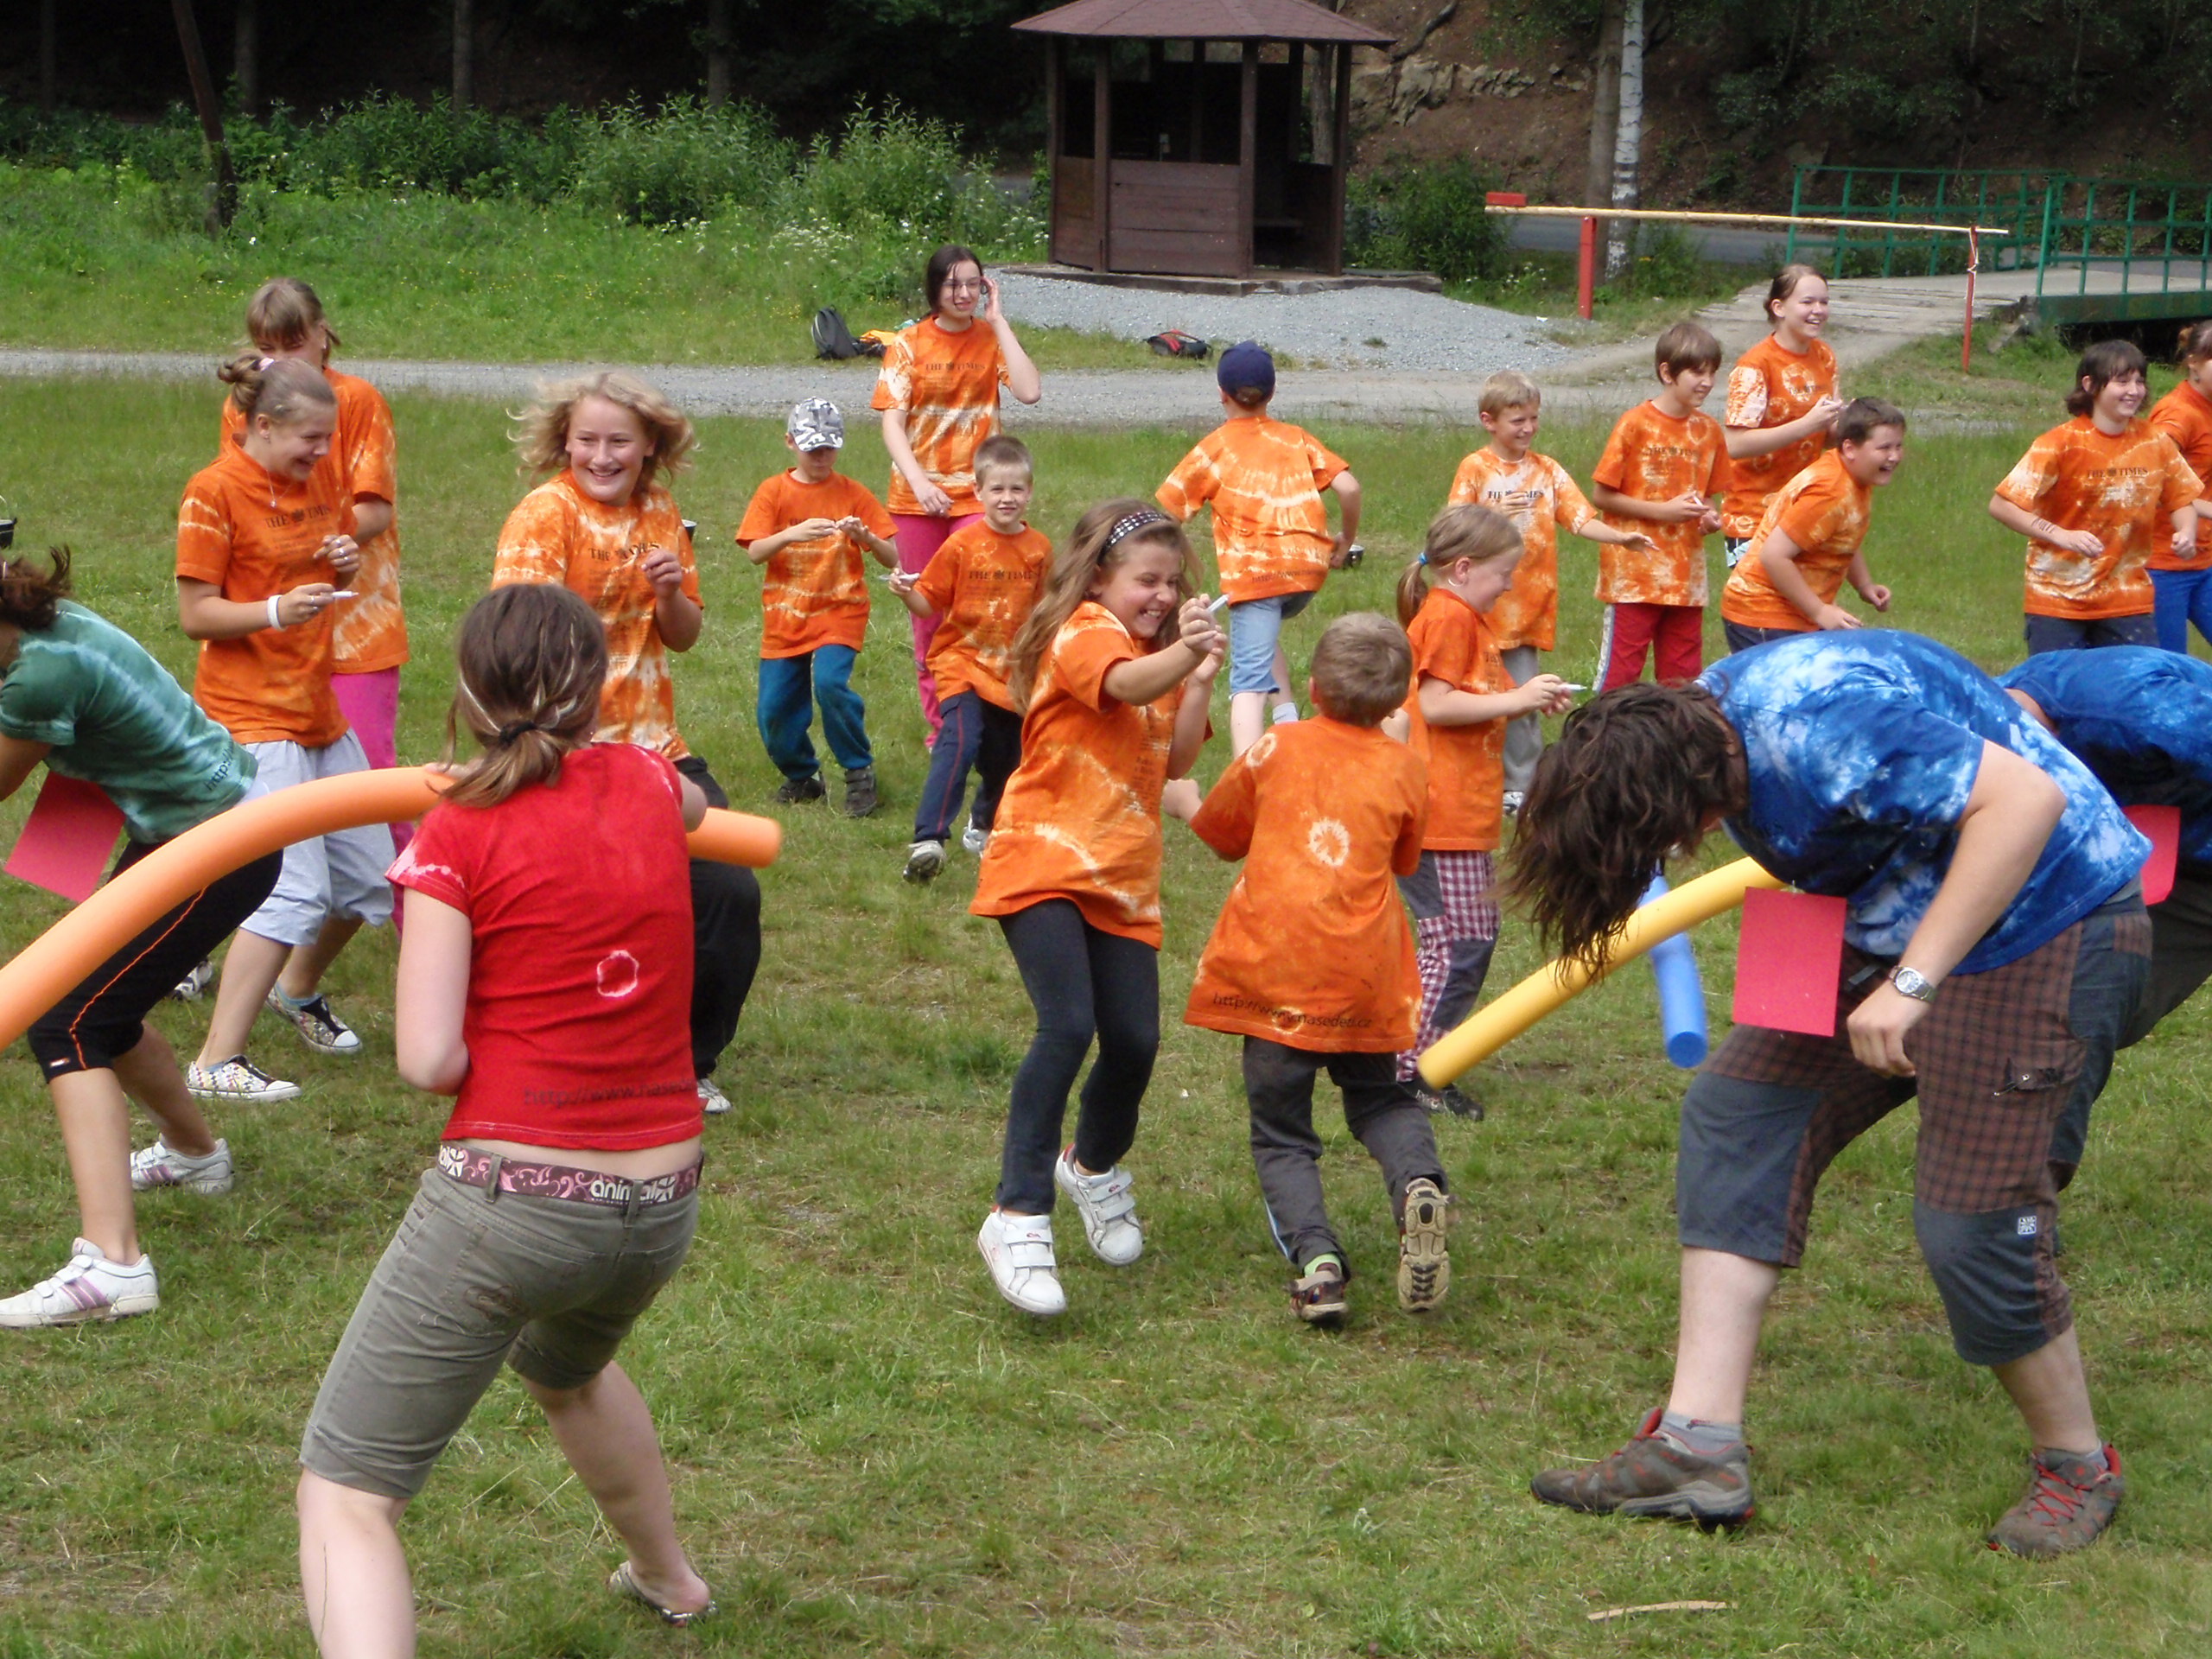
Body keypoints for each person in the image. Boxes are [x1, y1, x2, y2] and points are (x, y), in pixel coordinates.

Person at [1513, 630, 2152, 1558]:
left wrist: (1913, 984)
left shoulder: (1816, 722)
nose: (1676, 853)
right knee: (1740, 1112)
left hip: (2047, 917)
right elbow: (1825, 843)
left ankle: (2078, 1464)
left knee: (1971, 1221)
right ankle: (1697, 1447)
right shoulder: (1704, 740)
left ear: (1669, 797)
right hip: (1892, 914)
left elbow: (2026, 801)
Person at [296, 583, 718, 1653]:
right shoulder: (651, 780)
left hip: (514, 1204)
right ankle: (668, 1578)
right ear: (597, 688)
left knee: (346, 1494)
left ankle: (666, 1574)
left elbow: (428, 1058)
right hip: (660, 1203)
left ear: (471, 695)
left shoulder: (456, 833)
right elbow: (689, 810)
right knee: (564, 1370)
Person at [0, 549, 281, 1327]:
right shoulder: (39, 625)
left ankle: (113, 1266)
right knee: (104, 1008)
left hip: (217, 848)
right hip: (195, 831)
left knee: (67, 1021)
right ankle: (195, 1155)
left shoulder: (39, 673)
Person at [968, 500, 1224, 1317]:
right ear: (1099, 577)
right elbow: (1122, 687)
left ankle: (1091, 1167)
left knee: (1136, 1043)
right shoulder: (1083, 631)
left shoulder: (1158, 656)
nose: (1162, 594)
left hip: (1123, 877)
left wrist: (1198, 680)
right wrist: (1184, 652)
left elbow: (1176, 759)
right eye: (1147, 580)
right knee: (1067, 1025)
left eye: (1172, 582)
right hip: (1042, 857)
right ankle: (1016, 1214)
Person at [494, 370, 761, 1118]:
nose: (602, 456)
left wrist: (671, 594)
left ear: (649, 446)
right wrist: (552, 746)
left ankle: (689, 1062)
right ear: (565, 442)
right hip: (560, 752)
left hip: (654, 750)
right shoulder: (545, 515)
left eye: (619, 442)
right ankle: (566, 1051)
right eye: (587, 440)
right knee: (584, 909)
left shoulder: (660, 511)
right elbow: (510, 647)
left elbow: (685, 635)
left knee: (729, 892)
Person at [1184, 611, 1451, 1325]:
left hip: (1274, 974)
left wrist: (1184, 800)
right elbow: (1405, 861)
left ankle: (1318, 1267)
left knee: (1280, 1133)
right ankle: (1418, 1184)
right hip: (1364, 975)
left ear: (1311, 685)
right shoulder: (1406, 767)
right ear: (1396, 702)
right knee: (1382, 1102)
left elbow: (1222, 834)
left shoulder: (1278, 745)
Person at [177, 355, 391, 1104]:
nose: (322, 452)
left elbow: (326, 577)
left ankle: (293, 991)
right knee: (293, 891)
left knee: (372, 878)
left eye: (328, 439)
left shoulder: (319, 482)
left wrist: (343, 561)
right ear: (262, 426)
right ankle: (216, 1062)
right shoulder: (212, 491)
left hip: (317, 711)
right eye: (309, 439)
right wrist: (274, 611)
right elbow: (195, 614)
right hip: (251, 717)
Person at [1395, 505, 1573, 1119]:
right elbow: (1438, 705)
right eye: (1503, 573)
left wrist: (1524, 697)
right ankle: (1412, 1071)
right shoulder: (1449, 616)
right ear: (1465, 569)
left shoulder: (1464, 616)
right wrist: (1517, 698)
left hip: (1460, 817)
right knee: (1458, 945)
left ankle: (1414, 1059)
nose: (1509, 584)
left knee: (1467, 939)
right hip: (1439, 817)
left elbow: (1467, 698)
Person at [1999, 648, 2212, 1118]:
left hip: (2196, 859)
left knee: (2089, 1008)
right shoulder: (1986, 717)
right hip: (2147, 844)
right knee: (2082, 1006)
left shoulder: (2141, 714)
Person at [1446, 369, 1653, 810]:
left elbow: (1580, 518)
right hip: (1477, 607)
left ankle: (1521, 784)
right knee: (1473, 691)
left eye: (1534, 419)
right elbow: (1454, 528)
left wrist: (1620, 537)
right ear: (1489, 421)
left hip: (1526, 609)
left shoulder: (1547, 471)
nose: (1528, 428)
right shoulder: (1475, 469)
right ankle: (1471, 776)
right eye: (1517, 420)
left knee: (1521, 695)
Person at [873, 244, 1043, 742]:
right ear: (934, 290)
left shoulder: (990, 339)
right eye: (953, 285)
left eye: (973, 284)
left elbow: (1029, 391)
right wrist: (920, 483)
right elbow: (892, 425)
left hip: (978, 497)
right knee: (927, 615)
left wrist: (1000, 321)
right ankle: (943, 727)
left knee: (984, 605)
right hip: (916, 499)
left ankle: (992, 712)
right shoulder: (907, 344)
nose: (964, 294)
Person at [1157, 340, 1360, 756]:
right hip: (1308, 572)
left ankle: (1246, 776)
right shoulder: (1295, 438)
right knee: (1262, 633)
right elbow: (1349, 487)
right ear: (1272, 393)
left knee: (1246, 684)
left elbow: (1166, 514)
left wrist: (1160, 565)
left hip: (1257, 575)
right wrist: (1346, 540)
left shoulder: (1215, 447)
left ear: (1222, 394)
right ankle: (1287, 720)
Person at [888, 433, 1051, 882]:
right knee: (959, 742)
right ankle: (928, 840)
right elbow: (928, 601)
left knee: (1005, 760)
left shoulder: (1039, 549)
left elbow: (1047, 612)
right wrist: (905, 592)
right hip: (960, 665)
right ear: (977, 492)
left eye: (1016, 489)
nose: (1007, 498)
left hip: (1012, 676)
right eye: (997, 489)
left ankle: (983, 825)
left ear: (1030, 492)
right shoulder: (962, 545)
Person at [736, 397, 898, 816]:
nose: (821, 457)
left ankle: (858, 771)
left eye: (829, 448)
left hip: (840, 609)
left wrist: (867, 537)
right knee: (774, 709)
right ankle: (803, 775)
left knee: (830, 685)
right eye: (812, 449)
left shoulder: (853, 493)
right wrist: (792, 534)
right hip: (786, 614)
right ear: (790, 443)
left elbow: (891, 556)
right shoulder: (773, 491)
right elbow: (755, 552)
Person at [1989, 339, 2199, 653]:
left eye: (2139, 382)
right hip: (2057, 598)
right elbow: (2001, 505)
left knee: (2136, 682)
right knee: (2061, 684)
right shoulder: (2059, 443)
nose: (2134, 391)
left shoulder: (2155, 442)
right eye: (2122, 382)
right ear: (2090, 385)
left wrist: (2187, 531)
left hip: (2128, 598)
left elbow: (2181, 498)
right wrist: (2060, 535)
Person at [1588, 321, 1731, 692]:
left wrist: (1709, 516)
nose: (1707, 382)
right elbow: (1601, 495)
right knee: (1620, 681)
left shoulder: (1709, 431)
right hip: (1634, 579)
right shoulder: (1635, 424)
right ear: (1667, 373)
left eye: (1712, 372)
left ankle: (1672, 733)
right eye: (1697, 372)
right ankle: (1609, 732)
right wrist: (1662, 512)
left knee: (1682, 684)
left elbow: (1707, 497)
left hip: (1686, 582)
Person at [1717, 397, 1904, 652]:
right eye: (1884, 448)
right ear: (1850, 448)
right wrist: (1819, 611)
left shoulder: (1856, 478)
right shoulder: (1829, 492)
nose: (1894, 456)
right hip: (1762, 614)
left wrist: (1864, 585)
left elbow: (1842, 538)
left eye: (1898, 446)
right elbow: (1773, 556)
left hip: (1795, 613)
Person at [1722, 264, 1844, 569]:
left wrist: (1851, 424)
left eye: (1824, 302)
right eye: (1807, 302)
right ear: (1779, 308)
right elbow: (1735, 444)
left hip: (1804, 508)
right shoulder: (1755, 365)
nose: (1818, 311)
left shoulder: (1824, 356)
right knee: (1759, 598)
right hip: (1753, 514)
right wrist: (1806, 425)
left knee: (1805, 598)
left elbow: (1827, 436)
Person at [2144, 321, 2212, 654]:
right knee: (2169, 666)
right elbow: (2150, 482)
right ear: (2193, 363)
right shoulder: (2177, 414)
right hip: (2164, 564)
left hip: (2205, 561)